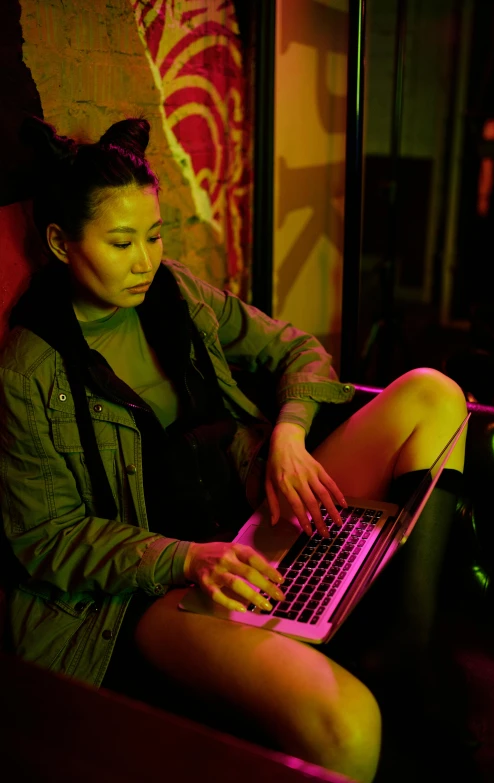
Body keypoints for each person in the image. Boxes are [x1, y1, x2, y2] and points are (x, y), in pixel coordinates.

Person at [0, 116, 468, 783]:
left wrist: (288, 432)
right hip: (155, 590)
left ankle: (407, 650)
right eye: (122, 241)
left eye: (155, 235)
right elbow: (44, 537)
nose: (146, 261)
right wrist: (189, 556)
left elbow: (296, 349)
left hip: (251, 510)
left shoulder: (177, 292)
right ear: (59, 242)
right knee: (349, 724)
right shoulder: (31, 371)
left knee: (433, 394)